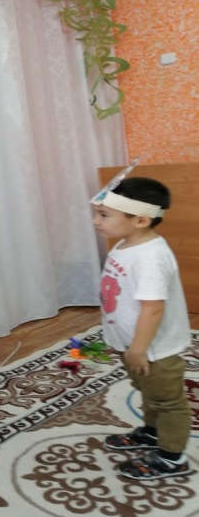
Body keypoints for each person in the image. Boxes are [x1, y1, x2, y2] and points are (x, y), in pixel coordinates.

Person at [91, 174, 192, 480]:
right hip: (133, 345)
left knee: (168, 401)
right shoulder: (126, 245)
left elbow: (152, 308)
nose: (96, 221)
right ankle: (151, 432)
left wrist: (138, 348)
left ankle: (172, 458)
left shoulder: (150, 257)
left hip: (153, 349)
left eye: (104, 215)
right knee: (149, 392)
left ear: (140, 220)